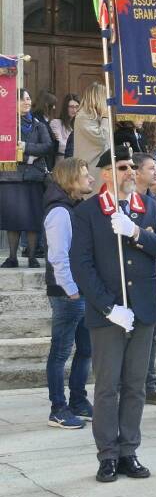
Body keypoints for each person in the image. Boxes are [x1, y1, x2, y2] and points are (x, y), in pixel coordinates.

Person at [69, 144, 156, 483]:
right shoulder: (87, 212)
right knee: (107, 387)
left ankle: (129, 450)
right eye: (123, 167)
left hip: (142, 310)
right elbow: (81, 266)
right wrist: (108, 307)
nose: (130, 173)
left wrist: (136, 233)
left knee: (134, 386)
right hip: (109, 313)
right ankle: (108, 455)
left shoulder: (151, 208)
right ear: (106, 174)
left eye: (132, 167)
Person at [43, 157, 95, 429]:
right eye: (86, 175)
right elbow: (58, 256)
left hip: (82, 292)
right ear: (71, 178)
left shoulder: (75, 208)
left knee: (85, 349)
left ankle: (78, 400)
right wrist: (72, 290)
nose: (91, 179)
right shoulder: (60, 212)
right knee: (61, 352)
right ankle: (58, 408)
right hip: (68, 294)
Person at [1, 89, 55, 268]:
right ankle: (12, 257)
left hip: (33, 178)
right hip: (12, 177)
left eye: (29, 98)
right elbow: (5, 147)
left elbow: (48, 146)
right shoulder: (6, 124)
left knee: (33, 219)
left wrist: (26, 147)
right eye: (23, 99)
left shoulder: (38, 124)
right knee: (13, 220)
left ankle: (32, 257)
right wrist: (28, 157)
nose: (27, 102)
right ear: (13, 103)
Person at [133, 152, 156, 405]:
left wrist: (147, 238)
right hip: (127, 279)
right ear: (136, 172)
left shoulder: (155, 205)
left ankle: (148, 383)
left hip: (150, 277)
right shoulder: (123, 202)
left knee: (150, 335)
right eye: (151, 168)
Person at [71, 83, 109, 188]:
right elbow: (102, 139)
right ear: (98, 98)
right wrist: (106, 117)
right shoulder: (83, 117)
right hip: (92, 169)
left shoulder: (95, 116)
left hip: (100, 168)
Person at [51, 93, 80, 158]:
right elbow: (60, 145)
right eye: (71, 107)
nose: (74, 110)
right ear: (65, 107)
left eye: (77, 107)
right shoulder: (56, 123)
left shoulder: (80, 125)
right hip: (62, 161)